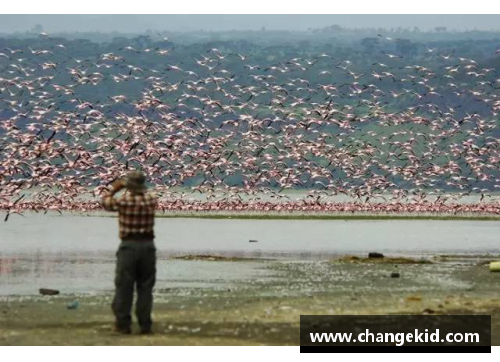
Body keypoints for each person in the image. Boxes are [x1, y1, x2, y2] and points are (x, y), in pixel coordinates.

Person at [102, 170, 158, 335]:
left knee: (124, 287)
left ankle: (123, 325)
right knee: (145, 288)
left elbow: (106, 203)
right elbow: (145, 197)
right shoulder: (151, 200)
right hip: (148, 247)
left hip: (129, 247)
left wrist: (114, 188)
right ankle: (145, 325)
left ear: (129, 185)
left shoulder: (124, 201)